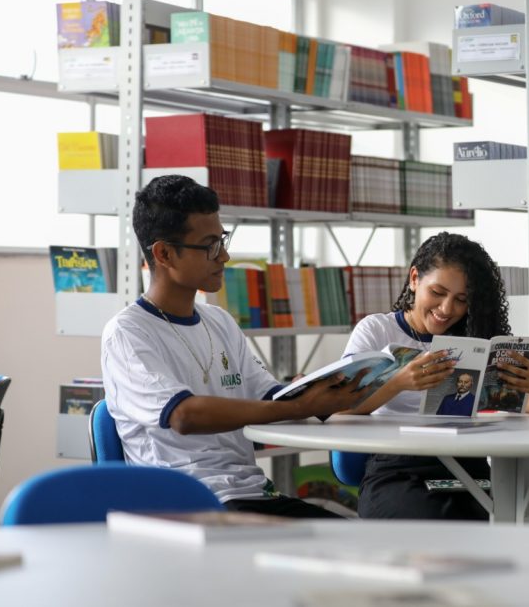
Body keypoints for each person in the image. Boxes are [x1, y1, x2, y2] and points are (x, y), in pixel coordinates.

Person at [101, 175, 369, 518]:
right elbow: (184, 416)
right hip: (188, 505)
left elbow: (268, 398)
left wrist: (314, 391)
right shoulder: (127, 333)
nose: (224, 256)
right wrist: (297, 407)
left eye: (223, 240)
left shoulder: (219, 321)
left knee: (359, 538)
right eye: (210, 245)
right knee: (346, 551)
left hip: (251, 495)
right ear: (164, 253)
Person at [342, 232, 529, 520]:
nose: (447, 309)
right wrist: (398, 382)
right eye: (437, 292)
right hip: (398, 467)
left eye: (461, 299)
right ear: (414, 278)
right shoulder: (376, 331)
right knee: (442, 526)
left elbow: (515, 407)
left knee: (519, 518)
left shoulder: (475, 338)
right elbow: (340, 406)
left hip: (467, 463)